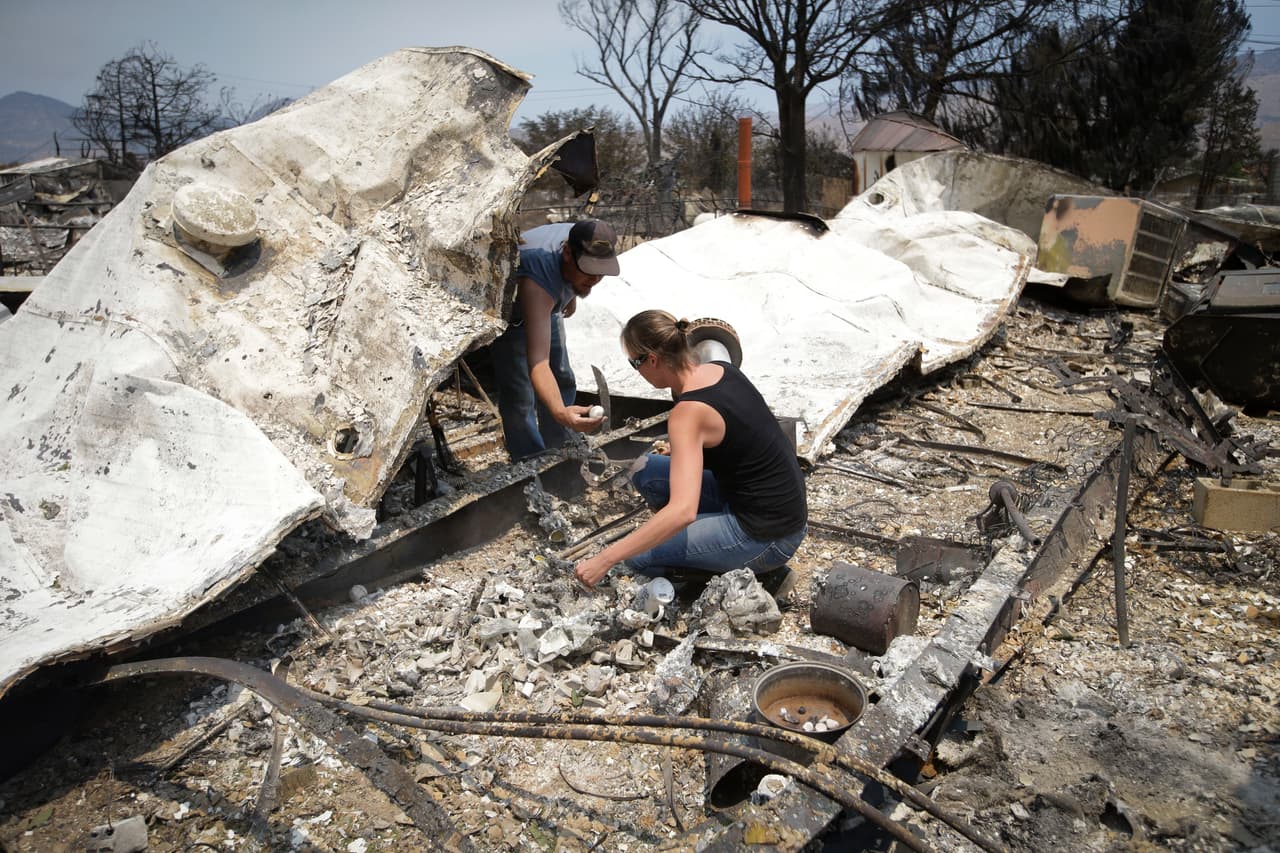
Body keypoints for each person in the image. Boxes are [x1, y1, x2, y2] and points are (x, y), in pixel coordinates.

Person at [573, 310, 807, 589]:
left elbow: (683, 511)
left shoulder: (687, 414)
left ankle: (753, 578)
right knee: (645, 469)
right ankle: (701, 546)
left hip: (768, 537)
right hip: (773, 509)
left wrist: (605, 558)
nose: (638, 373)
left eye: (635, 363)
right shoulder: (721, 369)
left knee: (636, 559)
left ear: (652, 360)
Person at [491, 220, 619, 461]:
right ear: (567, 253)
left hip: (550, 298)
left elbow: (577, 274)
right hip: (513, 317)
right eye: (588, 271)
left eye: (600, 271)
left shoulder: (586, 236)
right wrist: (560, 412)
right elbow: (538, 363)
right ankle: (532, 460)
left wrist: (572, 292)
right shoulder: (537, 280)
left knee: (562, 375)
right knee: (519, 395)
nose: (595, 278)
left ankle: (561, 448)